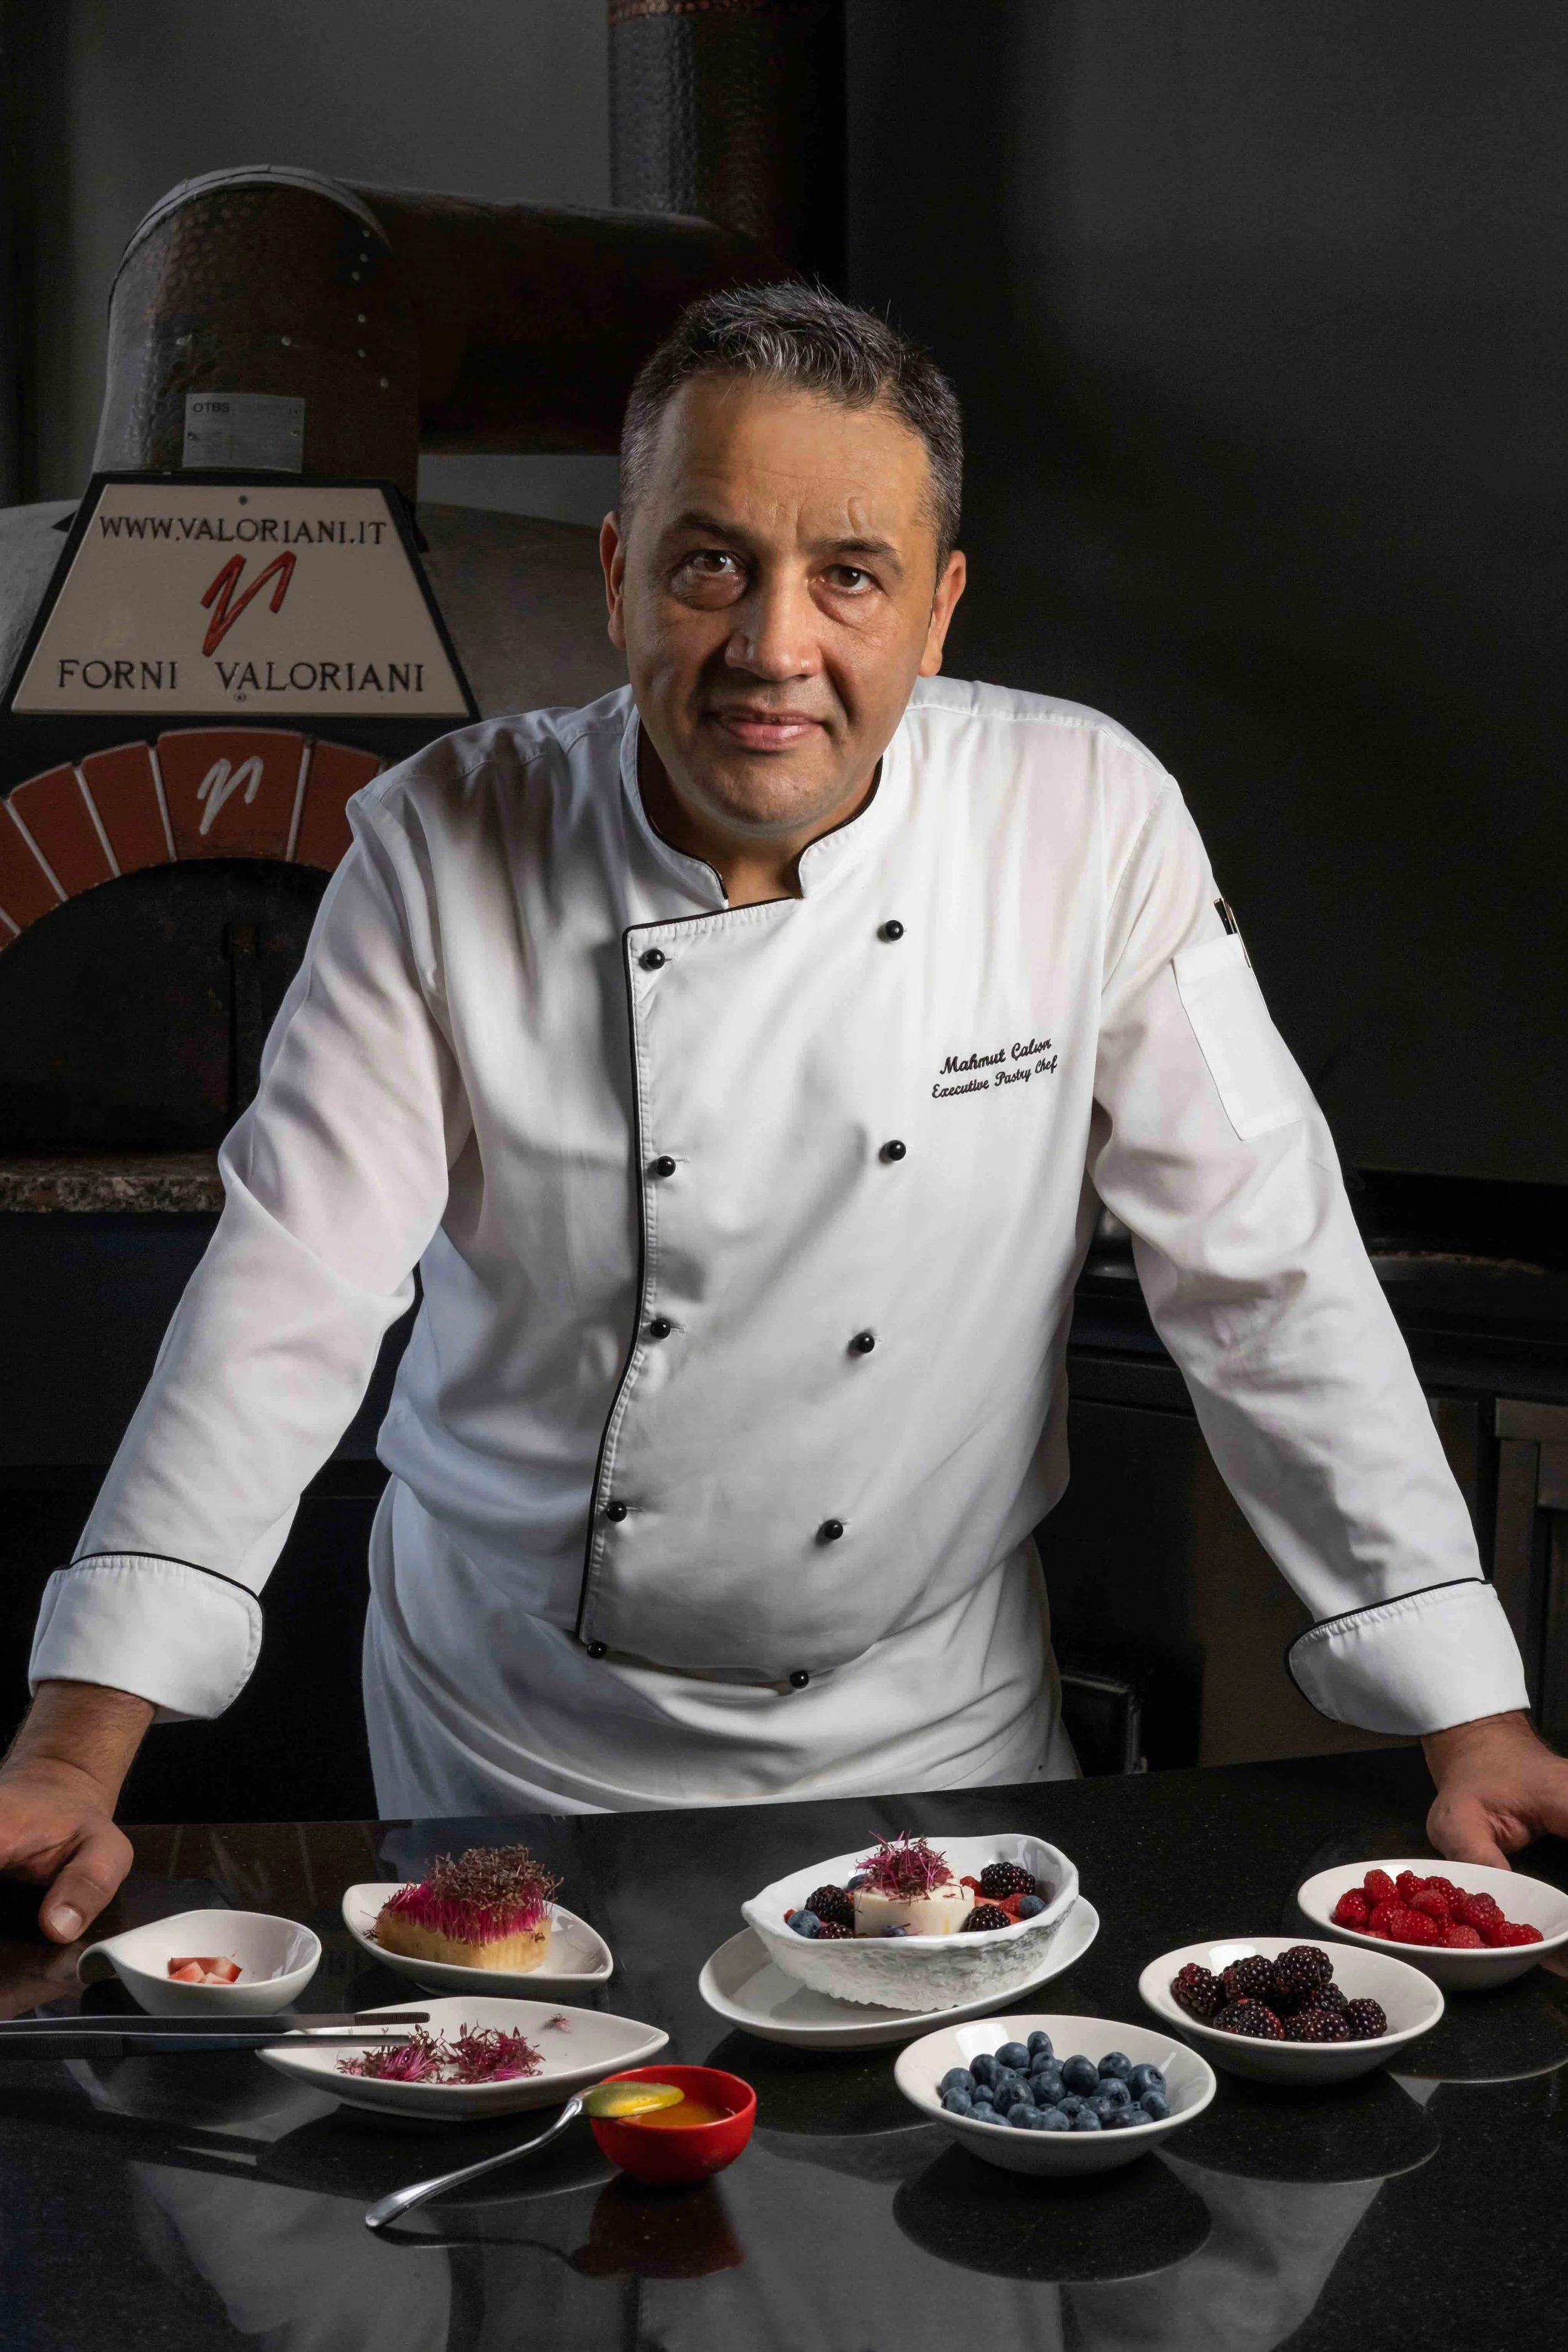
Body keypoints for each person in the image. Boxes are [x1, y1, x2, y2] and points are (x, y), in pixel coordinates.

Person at [3, 285, 1564, 1944]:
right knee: (532, 2112)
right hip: (515, 1736)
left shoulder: (1086, 819)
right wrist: (75, 1749)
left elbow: (1267, 1265)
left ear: (939, 610)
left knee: (942, 2111)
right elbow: (287, 1294)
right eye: (711, 563)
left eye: (851, 576)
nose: (772, 647)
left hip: (933, 1736)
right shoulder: (439, 842)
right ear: (618, 575)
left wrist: (1469, 1720)